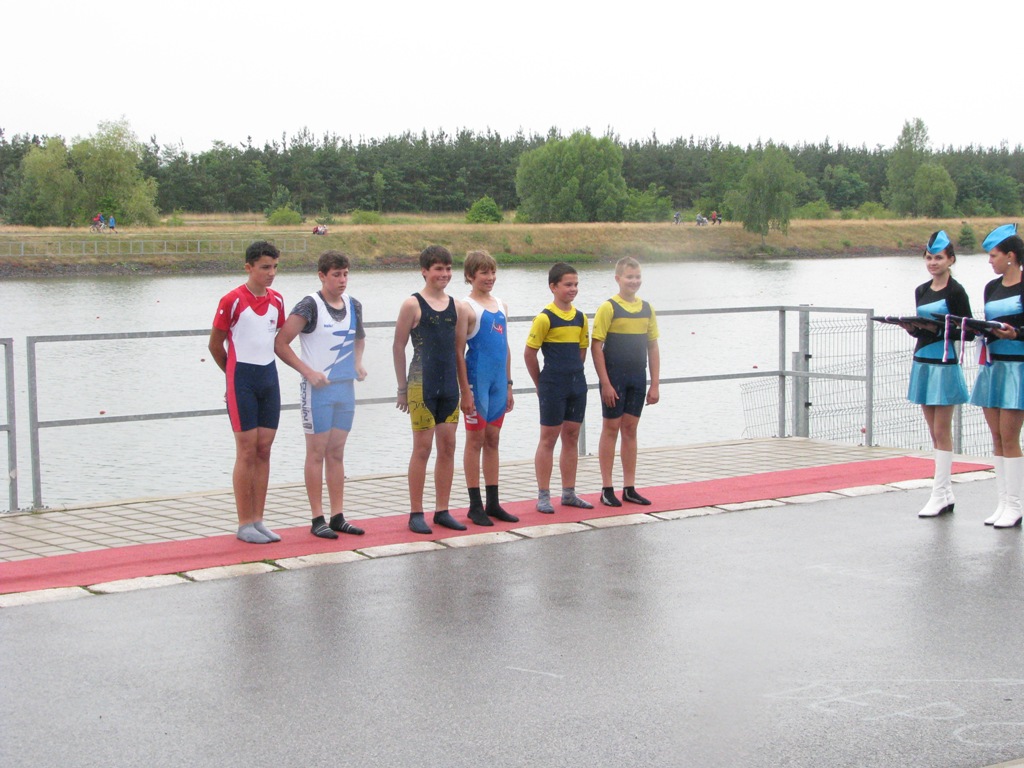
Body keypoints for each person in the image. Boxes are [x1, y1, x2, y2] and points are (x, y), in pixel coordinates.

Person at [275, 250, 367, 539]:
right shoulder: (309, 305)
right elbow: (281, 343)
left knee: (336, 452)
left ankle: (338, 516)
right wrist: (308, 372)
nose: (342, 280)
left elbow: (359, 339)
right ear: (322, 276)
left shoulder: (354, 305)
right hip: (317, 392)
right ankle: (317, 518)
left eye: (346, 274)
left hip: (345, 389)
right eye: (336, 274)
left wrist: (357, 363)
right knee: (316, 453)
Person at [208, 241, 286, 544]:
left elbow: (275, 340)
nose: (271, 273)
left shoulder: (277, 300)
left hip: (269, 379)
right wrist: (232, 378)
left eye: (275, 267)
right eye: (265, 267)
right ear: (249, 267)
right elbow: (215, 345)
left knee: (264, 449)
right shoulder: (232, 300)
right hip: (242, 380)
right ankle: (244, 523)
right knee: (246, 450)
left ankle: (258, 520)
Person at [393, 245, 468, 534]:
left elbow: (459, 351)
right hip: (421, 385)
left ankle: (442, 510)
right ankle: (415, 512)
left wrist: (466, 391)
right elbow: (398, 346)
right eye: (438, 269)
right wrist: (402, 389)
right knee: (422, 448)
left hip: (449, 386)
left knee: (448, 447)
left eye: (448, 269)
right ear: (424, 271)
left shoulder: (458, 307)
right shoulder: (412, 305)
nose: (444, 274)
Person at [900, 231, 972, 517]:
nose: (933, 263)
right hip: (922, 360)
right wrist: (913, 328)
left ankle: (938, 492)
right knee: (933, 431)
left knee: (942, 431)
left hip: (944, 363)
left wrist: (940, 329)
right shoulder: (921, 290)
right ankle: (945, 492)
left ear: (951, 260)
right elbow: (922, 330)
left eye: (938, 258)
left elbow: (967, 332)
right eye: (929, 258)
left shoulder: (956, 292)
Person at [591, 257, 661, 507]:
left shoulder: (647, 308)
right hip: (614, 378)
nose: (634, 281)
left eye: (637, 277)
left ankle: (629, 487)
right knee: (611, 429)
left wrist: (655, 383)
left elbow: (653, 346)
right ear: (618, 279)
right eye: (629, 277)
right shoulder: (608, 307)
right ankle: (606, 487)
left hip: (637, 377)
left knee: (630, 430)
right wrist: (605, 383)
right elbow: (596, 347)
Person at [456, 250, 518, 526]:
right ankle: (475, 505)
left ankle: (493, 502)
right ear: (470, 276)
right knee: (475, 441)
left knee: (493, 440)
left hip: (497, 384)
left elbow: (505, 348)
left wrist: (509, 384)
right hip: (476, 382)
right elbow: (458, 352)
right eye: (484, 273)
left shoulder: (501, 305)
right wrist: (465, 392)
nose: (490, 277)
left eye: (493, 272)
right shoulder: (465, 307)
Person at [525, 262, 593, 513]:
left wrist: (573, 374)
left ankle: (569, 493)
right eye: (567, 284)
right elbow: (529, 354)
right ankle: (543, 495)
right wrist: (540, 384)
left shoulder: (580, 317)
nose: (573, 289)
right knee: (548, 438)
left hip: (576, 383)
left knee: (571, 436)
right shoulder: (545, 318)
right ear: (553, 287)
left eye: (576, 284)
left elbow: (582, 351)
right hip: (552, 384)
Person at [969, 224, 1024, 528]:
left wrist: (1016, 333)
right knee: (997, 437)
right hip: (992, 366)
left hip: (1017, 367)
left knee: (1011, 436)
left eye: (994, 255)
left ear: (1011, 256)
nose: (990, 261)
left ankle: (1015, 505)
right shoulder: (991, 287)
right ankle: (1003, 502)